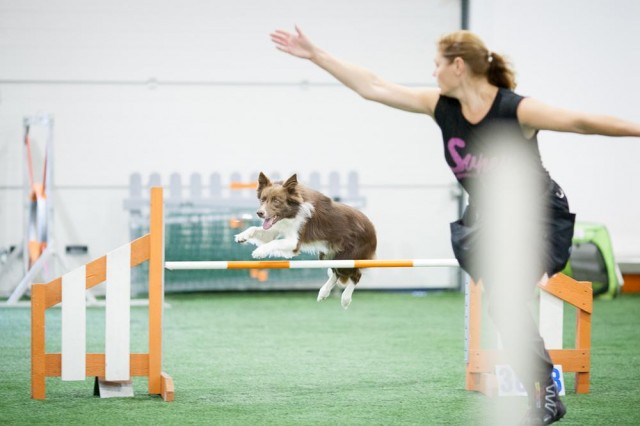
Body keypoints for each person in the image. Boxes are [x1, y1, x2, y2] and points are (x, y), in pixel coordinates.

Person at [270, 26, 640, 425]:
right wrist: (315, 54)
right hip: (491, 219)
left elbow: (581, 121)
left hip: (536, 217)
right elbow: (373, 86)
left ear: (458, 66)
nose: (433, 73)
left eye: (437, 65)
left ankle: (544, 392)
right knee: (502, 304)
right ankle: (546, 393)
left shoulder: (515, 110)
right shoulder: (441, 106)